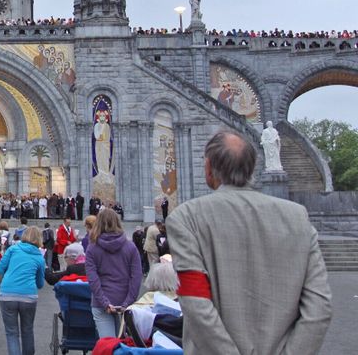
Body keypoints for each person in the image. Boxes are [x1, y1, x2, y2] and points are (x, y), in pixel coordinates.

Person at [167, 131, 332, 354]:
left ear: (208, 167)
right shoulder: (297, 217)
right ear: (252, 167)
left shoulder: (187, 218)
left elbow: (195, 302)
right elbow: (319, 306)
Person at [84, 209, 142, 339]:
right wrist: (128, 302)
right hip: (124, 301)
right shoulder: (130, 247)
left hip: (101, 303)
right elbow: (136, 278)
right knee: (124, 343)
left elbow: (93, 279)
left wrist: (104, 302)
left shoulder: (92, 248)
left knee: (108, 344)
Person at [0, 226, 45, 355]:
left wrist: (3, 284)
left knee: (11, 333)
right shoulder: (39, 257)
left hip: (7, 293)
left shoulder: (13, 249)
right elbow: (40, 284)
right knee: (27, 330)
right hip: (28, 295)